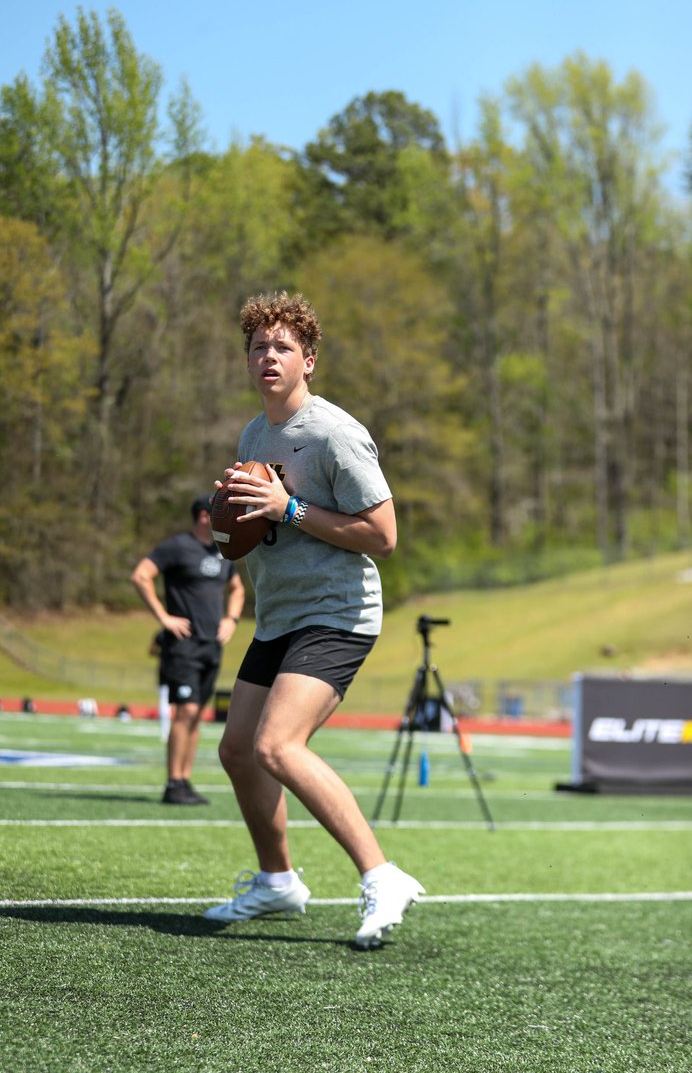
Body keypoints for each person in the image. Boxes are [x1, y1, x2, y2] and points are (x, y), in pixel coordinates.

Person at [203, 291, 424, 949]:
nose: (267, 357)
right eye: (257, 348)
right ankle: (277, 884)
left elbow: (383, 536)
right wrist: (233, 523)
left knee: (278, 746)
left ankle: (383, 876)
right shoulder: (253, 434)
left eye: (282, 348)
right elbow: (250, 527)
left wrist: (286, 508)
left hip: (338, 613)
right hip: (278, 618)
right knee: (239, 751)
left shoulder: (335, 433)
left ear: (310, 361)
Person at [131, 495, 245, 806]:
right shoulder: (176, 547)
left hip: (212, 646)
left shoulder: (224, 552)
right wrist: (164, 618)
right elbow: (141, 575)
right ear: (203, 517)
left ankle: (185, 781)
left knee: (197, 717)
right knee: (187, 711)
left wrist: (231, 620)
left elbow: (237, 589)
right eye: (219, 514)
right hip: (183, 646)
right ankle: (172, 783)